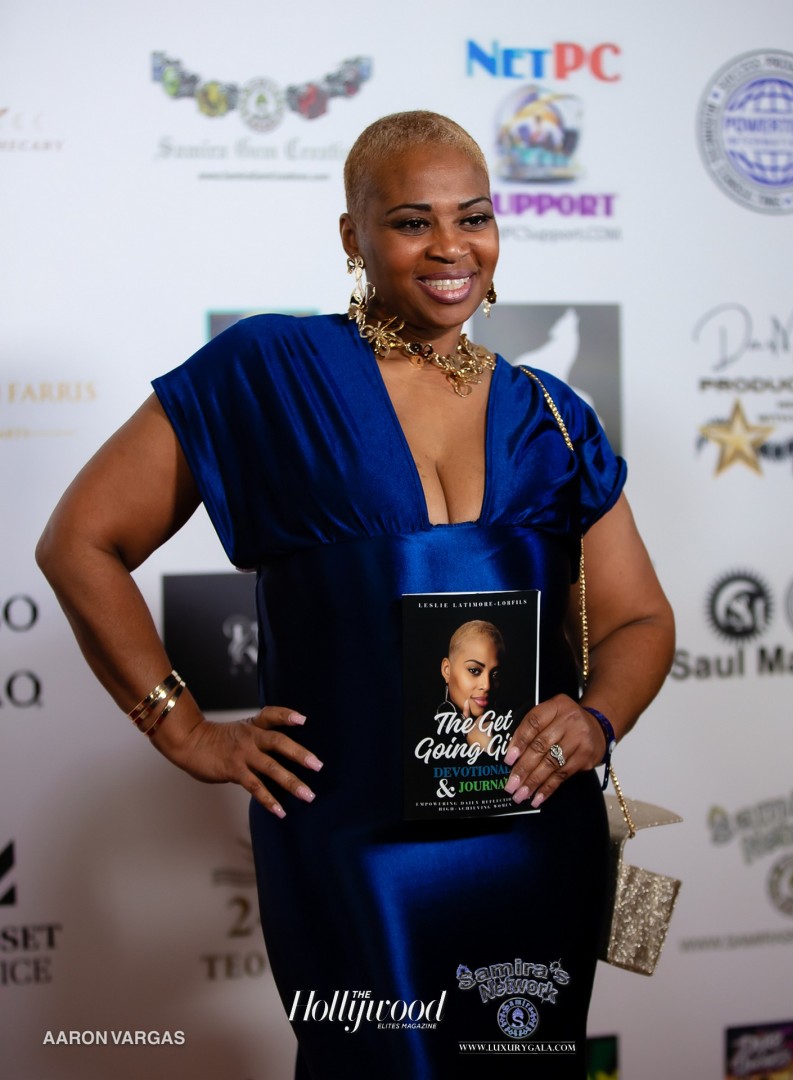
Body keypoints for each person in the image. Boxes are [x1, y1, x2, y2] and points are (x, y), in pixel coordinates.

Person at [36, 110, 675, 1078]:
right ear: (354, 235)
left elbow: (639, 617)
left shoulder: (551, 411)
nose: (451, 246)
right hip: (354, 838)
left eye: (474, 217)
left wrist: (596, 718)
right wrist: (184, 728)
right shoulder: (270, 371)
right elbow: (79, 542)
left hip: (534, 832)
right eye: (413, 221)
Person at [440, 619, 504, 752]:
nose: (487, 686)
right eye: (474, 670)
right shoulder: (418, 727)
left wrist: (486, 749)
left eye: (495, 674)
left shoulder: (515, 725)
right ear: (447, 670)